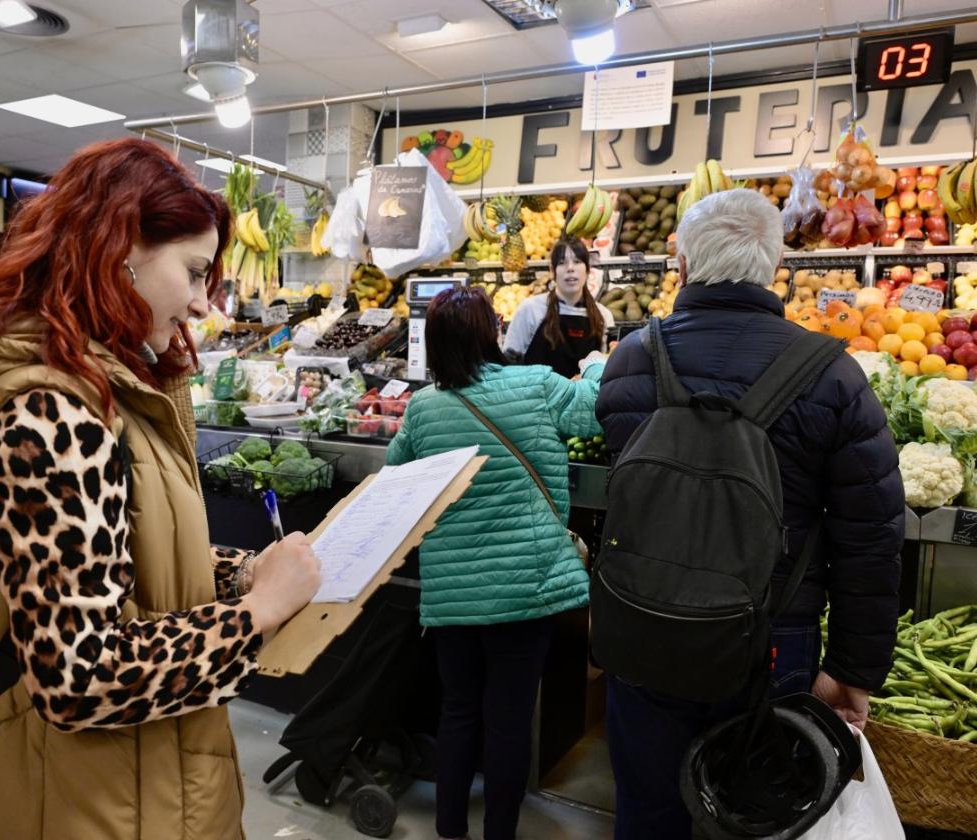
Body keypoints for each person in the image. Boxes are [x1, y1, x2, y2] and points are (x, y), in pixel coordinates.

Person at [0, 138, 321, 840]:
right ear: (121, 249)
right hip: (88, 801)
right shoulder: (55, 413)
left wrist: (240, 574)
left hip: (138, 783)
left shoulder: (106, 390)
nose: (205, 303)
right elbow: (79, 677)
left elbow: (116, 560)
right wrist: (254, 617)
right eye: (195, 271)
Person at [594, 188, 904, 840]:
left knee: (648, 815)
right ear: (775, 268)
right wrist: (853, 668)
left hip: (646, 630)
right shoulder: (834, 377)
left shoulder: (630, 362)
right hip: (772, 640)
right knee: (757, 819)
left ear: (682, 265)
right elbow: (871, 538)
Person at [386, 286, 603, 840]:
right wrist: (600, 364)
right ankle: (499, 833)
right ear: (492, 334)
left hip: (452, 598)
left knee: (458, 711)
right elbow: (594, 414)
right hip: (523, 593)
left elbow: (395, 477)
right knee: (508, 723)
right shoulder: (535, 385)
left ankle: (450, 828)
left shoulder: (423, 409)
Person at [503, 238, 614, 377]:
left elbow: (606, 369)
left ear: (588, 270)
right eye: (562, 263)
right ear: (552, 271)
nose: (570, 268)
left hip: (585, 398)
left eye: (577, 261)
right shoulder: (530, 309)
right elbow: (509, 366)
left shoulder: (603, 316)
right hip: (538, 397)